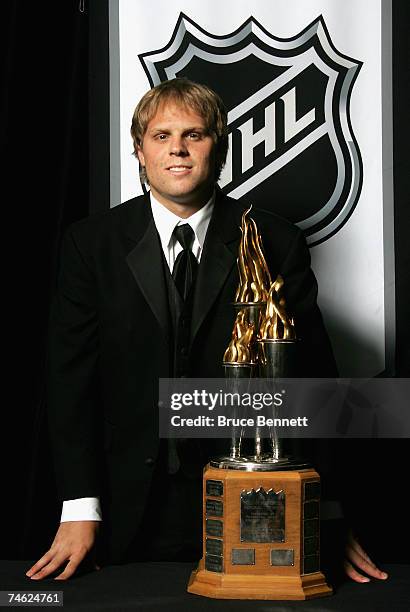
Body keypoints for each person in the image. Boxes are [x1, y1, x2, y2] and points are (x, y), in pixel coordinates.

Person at [26, 78, 387, 585]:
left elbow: (313, 380)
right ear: (139, 149)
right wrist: (79, 507)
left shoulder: (275, 240)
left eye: (194, 134)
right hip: (124, 511)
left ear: (219, 147)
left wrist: (324, 510)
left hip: (252, 507)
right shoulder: (92, 244)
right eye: (161, 135)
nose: (177, 148)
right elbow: (70, 383)